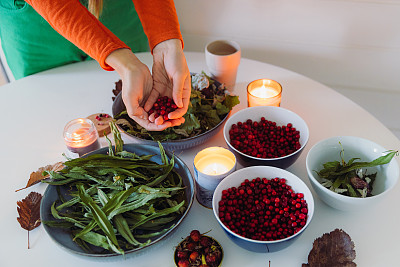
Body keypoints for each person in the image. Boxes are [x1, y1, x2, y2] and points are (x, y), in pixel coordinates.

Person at [0, 0, 191, 131]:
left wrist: (166, 44)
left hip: (114, 10)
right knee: (49, 121)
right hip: (35, 20)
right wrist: (125, 63)